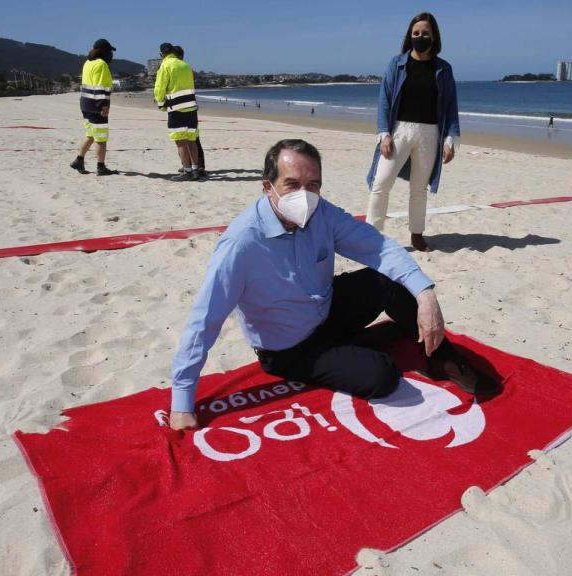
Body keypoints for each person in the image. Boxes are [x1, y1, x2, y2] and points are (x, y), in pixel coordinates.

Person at [167, 139, 489, 430]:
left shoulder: (322, 214)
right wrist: (182, 401)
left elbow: (378, 247)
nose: (303, 196)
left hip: (324, 309)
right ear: (268, 187)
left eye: (313, 185)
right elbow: (205, 319)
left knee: (389, 280)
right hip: (289, 348)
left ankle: (444, 359)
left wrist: (425, 293)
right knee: (383, 376)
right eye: (291, 184)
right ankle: (358, 347)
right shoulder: (241, 243)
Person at [366, 12, 460, 253]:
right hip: (399, 131)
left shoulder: (444, 69)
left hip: (430, 134)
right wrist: (384, 133)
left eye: (425, 33)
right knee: (381, 182)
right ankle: (371, 235)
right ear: (410, 36)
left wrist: (450, 139)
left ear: (434, 36)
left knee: (419, 189)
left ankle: (417, 235)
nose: (420, 36)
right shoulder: (397, 64)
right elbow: (384, 100)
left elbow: (450, 106)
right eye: (416, 33)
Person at [155, 42, 201, 181]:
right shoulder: (185, 65)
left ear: (161, 54)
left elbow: (160, 87)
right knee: (192, 140)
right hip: (191, 108)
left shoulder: (165, 65)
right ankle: (195, 170)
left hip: (177, 109)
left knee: (180, 141)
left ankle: (186, 171)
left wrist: (161, 104)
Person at [70, 38, 117, 176]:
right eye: (109, 51)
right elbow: (100, 86)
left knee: (90, 135)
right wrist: (104, 105)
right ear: (105, 51)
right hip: (96, 104)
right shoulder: (102, 64)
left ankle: (79, 160)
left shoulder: (87, 63)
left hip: (85, 103)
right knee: (101, 138)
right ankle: (101, 167)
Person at [173, 45, 207, 178]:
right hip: (187, 107)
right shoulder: (185, 68)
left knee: (192, 139)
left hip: (186, 107)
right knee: (187, 138)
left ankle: (199, 166)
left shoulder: (184, 68)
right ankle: (188, 165)